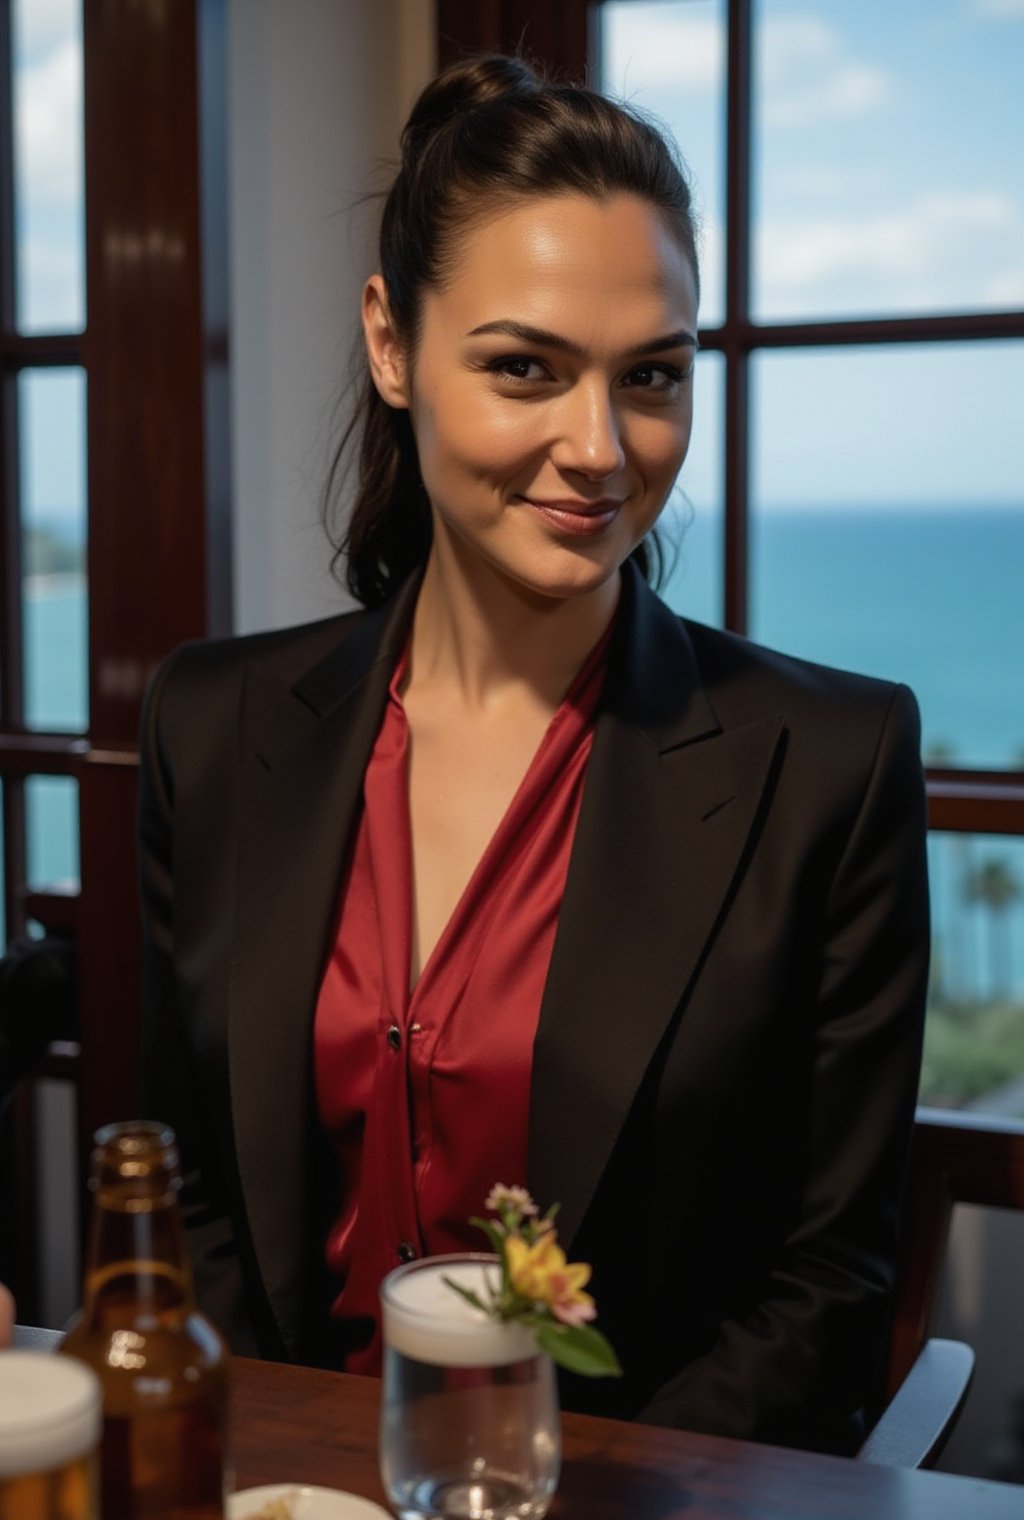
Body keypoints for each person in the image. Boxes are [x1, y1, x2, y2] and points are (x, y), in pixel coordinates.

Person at [138, 54, 929, 1454]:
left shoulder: (830, 763)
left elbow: (828, 1287)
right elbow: (197, 1187)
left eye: (654, 377)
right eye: (524, 369)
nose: (601, 448)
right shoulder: (213, 727)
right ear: (392, 343)